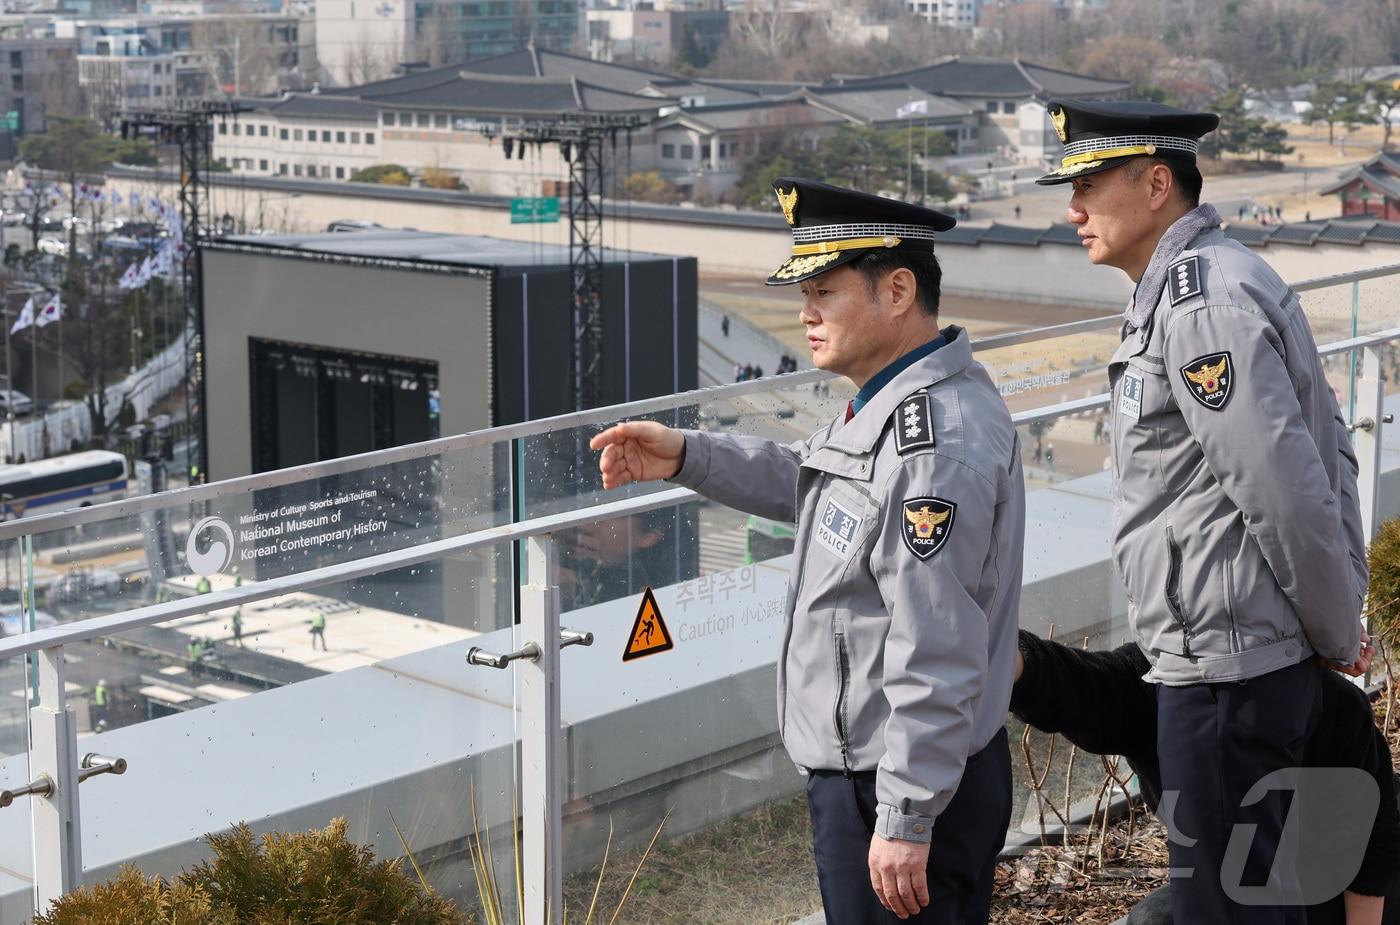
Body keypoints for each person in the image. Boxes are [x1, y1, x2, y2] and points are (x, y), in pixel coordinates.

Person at [591, 177, 1025, 924]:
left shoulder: (932, 447)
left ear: (896, 290)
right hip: (882, 778)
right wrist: (687, 454)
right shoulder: (894, 404)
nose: (805, 312)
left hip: (900, 786)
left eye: (825, 290)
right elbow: (813, 479)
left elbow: (936, 646)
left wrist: (905, 816)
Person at [1038, 99, 1369, 922]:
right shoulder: (1215, 280)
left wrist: (1334, 629)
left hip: (1229, 676)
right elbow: (1329, 457)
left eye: (1089, 183)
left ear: (1157, 184)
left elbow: (1285, 488)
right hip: (1240, 661)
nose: (1071, 208)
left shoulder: (1198, 307)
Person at [1010, 629, 1397, 925]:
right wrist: (1014, 663)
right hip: (1242, 879)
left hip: (1350, 883)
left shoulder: (1329, 704)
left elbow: (1373, 850)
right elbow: (1083, 687)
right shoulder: (1156, 685)